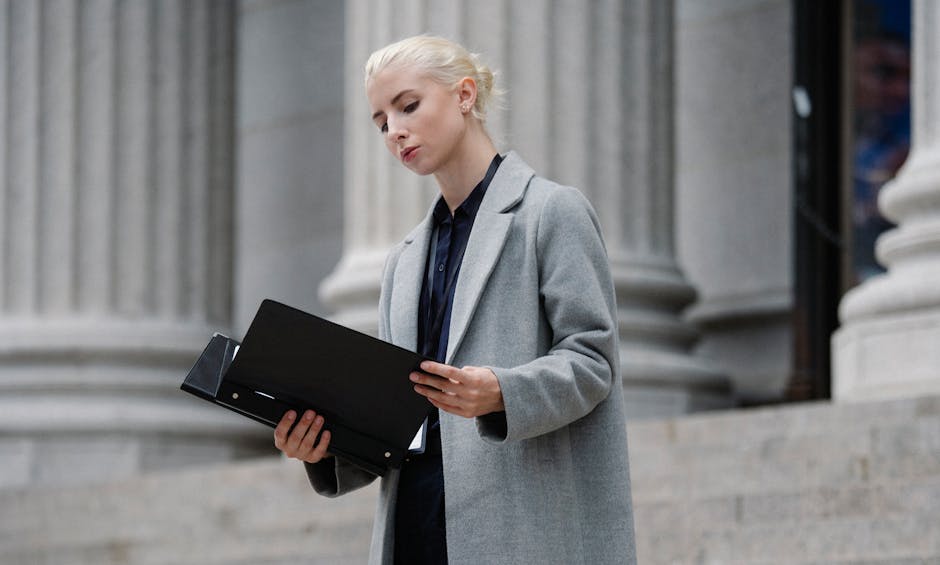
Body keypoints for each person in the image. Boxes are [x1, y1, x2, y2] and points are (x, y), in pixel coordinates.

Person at [273, 35, 636, 565]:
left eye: (408, 105)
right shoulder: (403, 261)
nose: (394, 131)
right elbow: (396, 416)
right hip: (413, 530)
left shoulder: (550, 213)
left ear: (465, 95)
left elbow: (592, 361)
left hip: (517, 530)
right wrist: (325, 450)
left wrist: (502, 392)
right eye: (380, 122)